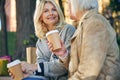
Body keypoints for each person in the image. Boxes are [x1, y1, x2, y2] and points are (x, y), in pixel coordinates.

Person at [48, 0, 120, 80]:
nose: (67, 7)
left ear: (78, 3)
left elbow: (87, 72)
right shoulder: (86, 23)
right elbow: (78, 67)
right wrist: (63, 53)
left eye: (69, 3)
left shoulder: (95, 23)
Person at [9, 0, 76, 80]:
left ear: (58, 13)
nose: (51, 13)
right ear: (40, 17)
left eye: (54, 10)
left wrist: (34, 67)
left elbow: (65, 66)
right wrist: (29, 73)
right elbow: (41, 70)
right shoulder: (41, 42)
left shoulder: (68, 30)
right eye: (46, 11)